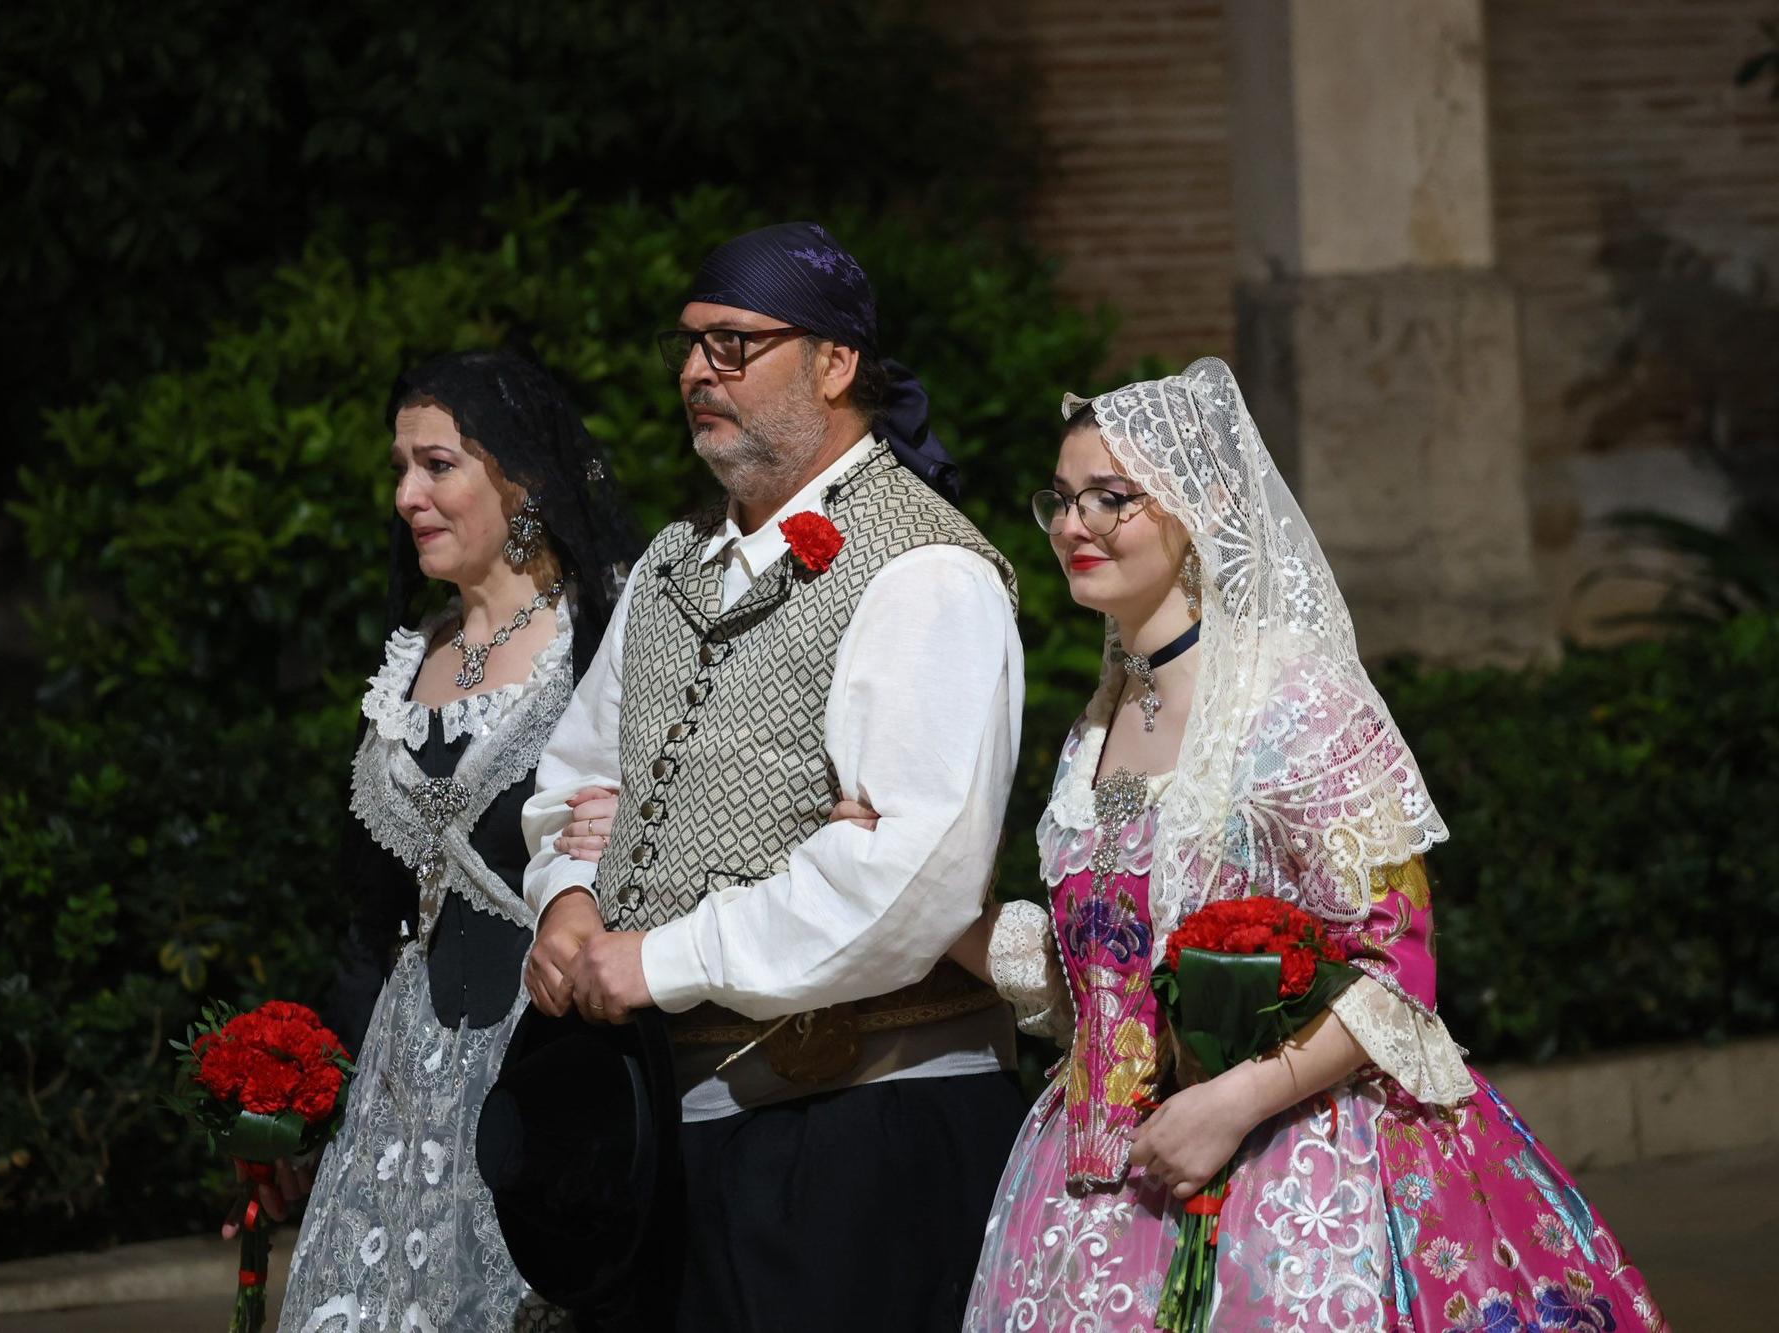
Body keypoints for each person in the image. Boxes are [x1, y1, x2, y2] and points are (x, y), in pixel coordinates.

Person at [954, 358, 1668, 1331]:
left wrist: (1229, 1103)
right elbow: (1098, 973)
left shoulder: (1298, 702)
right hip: (1091, 1198)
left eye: (1109, 498)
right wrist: (920, 905)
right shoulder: (1094, 725)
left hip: (1297, 1174)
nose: (1072, 526)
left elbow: (1396, 967)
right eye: (1062, 499)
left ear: (1197, 504)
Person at [518, 222, 1028, 1332]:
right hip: (669, 1127)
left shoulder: (925, 569)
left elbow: (911, 869)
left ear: (836, 364)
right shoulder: (670, 561)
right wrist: (563, 898)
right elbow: (576, 781)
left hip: (853, 1132)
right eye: (690, 344)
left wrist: (661, 955)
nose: (697, 370)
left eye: (736, 344)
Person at [271, 350, 636, 1333]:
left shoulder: (597, 644)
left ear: (518, 477)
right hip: (402, 1079)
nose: (407, 495)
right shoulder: (413, 658)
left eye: (437, 465)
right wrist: (305, 1085)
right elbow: (374, 911)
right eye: (400, 469)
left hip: (543, 1064)